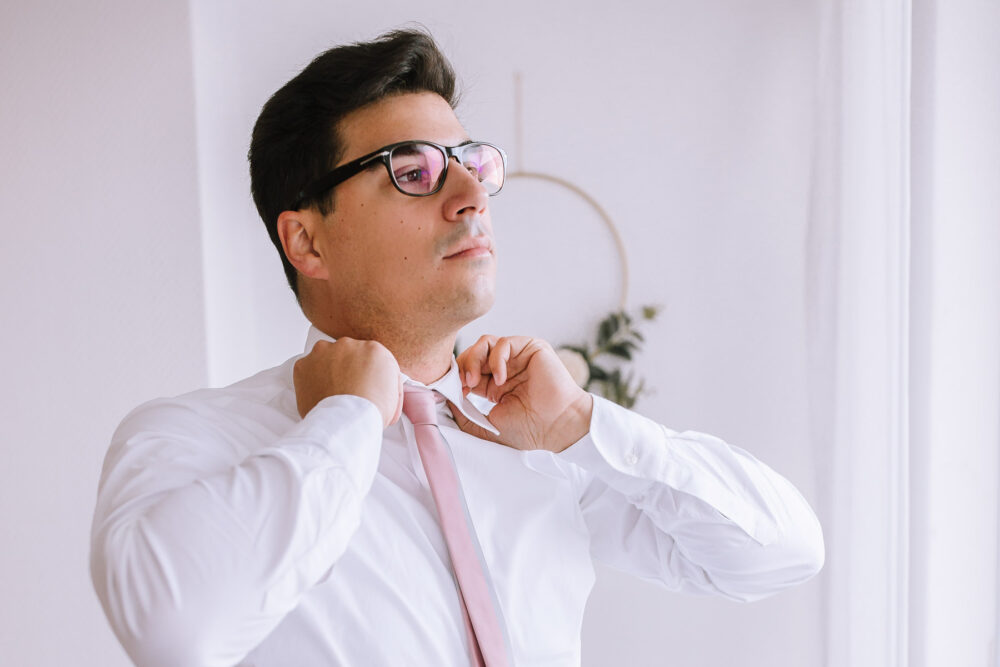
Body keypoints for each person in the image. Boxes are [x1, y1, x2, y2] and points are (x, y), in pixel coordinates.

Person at [89, 28, 824, 667]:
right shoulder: (191, 439)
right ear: (306, 239)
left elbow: (781, 553)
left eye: (472, 161)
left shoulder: (534, 439)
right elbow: (174, 631)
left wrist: (581, 429)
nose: (473, 193)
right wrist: (343, 424)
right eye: (414, 171)